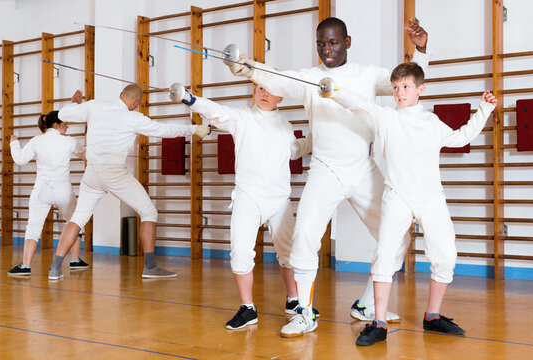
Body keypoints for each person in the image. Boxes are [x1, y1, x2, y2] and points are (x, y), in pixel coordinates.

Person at [227, 17, 430, 337]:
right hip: (325, 169)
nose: (327, 49)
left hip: (364, 169)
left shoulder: (367, 75)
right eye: (321, 43)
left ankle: (365, 305)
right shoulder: (309, 78)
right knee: (305, 236)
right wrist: (246, 67)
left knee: (398, 235)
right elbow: (279, 79)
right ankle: (304, 312)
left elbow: (404, 80)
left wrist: (420, 50)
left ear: (347, 42)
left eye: (333, 42)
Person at [324, 62, 497, 346]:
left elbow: (461, 137)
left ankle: (432, 315)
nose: (399, 93)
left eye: (405, 87)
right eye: (395, 88)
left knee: (446, 255)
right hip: (397, 196)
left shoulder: (431, 122)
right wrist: (334, 91)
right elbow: (359, 105)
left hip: (431, 197)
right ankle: (378, 322)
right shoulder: (386, 117)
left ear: (420, 89)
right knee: (385, 255)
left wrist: (484, 110)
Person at [180, 84, 313, 330]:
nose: (265, 93)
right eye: (261, 88)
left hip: (280, 199)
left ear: (281, 95)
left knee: (289, 254)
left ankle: (293, 301)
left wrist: (318, 137)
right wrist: (191, 100)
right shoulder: (242, 117)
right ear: (254, 90)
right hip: (248, 196)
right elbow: (218, 112)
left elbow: (295, 151)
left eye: (270, 90)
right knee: (240, 251)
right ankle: (247, 308)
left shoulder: (285, 127)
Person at [47, 85, 210, 280]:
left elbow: (64, 113)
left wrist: (75, 100)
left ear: (119, 95)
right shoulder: (133, 118)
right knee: (149, 212)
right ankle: (149, 267)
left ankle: (55, 269)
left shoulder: (94, 106)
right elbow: (163, 130)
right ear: (135, 104)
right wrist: (196, 129)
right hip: (114, 172)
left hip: (91, 173)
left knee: (77, 218)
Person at [7, 111, 88, 276]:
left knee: (33, 227)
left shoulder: (37, 140)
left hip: (42, 189)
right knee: (75, 221)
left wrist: (14, 143)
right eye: (65, 123)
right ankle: (74, 260)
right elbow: (85, 154)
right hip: (63, 190)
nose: (67, 126)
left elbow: (20, 160)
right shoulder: (69, 141)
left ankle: (25, 266)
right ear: (56, 125)